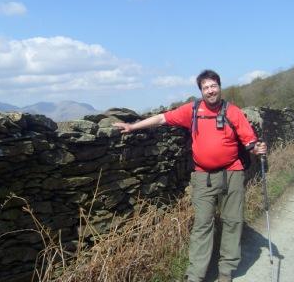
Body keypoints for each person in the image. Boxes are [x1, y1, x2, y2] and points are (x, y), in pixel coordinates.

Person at [113, 69, 267, 282]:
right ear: (201, 91)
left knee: (232, 221)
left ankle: (226, 271)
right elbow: (161, 119)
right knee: (203, 224)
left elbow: (249, 141)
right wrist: (132, 126)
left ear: (219, 87)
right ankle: (195, 275)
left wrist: (257, 149)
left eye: (213, 86)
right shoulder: (193, 110)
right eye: (206, 87)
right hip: (203, 176)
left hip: (233, 173)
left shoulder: (233, 112)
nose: (210, 90)